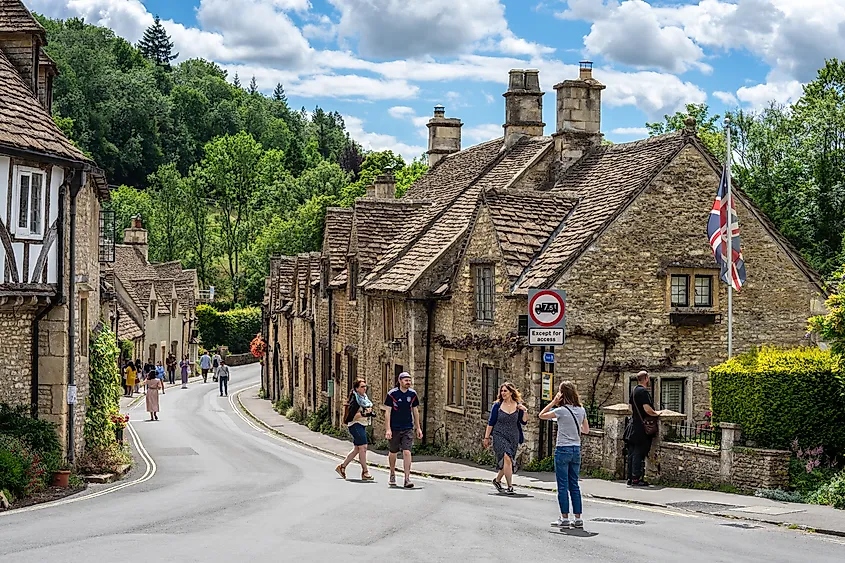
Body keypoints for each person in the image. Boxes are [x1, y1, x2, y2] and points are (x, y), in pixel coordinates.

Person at [540, 381, 590, 529]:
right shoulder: (581, 410)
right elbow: (586, 430)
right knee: (574, 485)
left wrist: (553, 402)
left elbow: (541, 415)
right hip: (576, 449)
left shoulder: (560, 411)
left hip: (563, 449)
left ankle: (564, 518)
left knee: (563, 485)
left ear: (562, 394)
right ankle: (578, 518)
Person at [483, 382, 528, 495]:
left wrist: (525, 411)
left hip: (513, 436)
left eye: (505, 391)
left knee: (507, 461)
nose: (503, 393)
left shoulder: (518, 405)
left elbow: (524, 422)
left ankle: (497, 480)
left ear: (511, 392)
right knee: (507, 458)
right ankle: (510, 486)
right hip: (499, 435)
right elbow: (491, 422)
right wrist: (486, 437)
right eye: (502, 391)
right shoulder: (497, 406)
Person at [626, 370, 664, 487]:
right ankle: (636, 478)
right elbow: (647, 409)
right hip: (641, 428)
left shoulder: (634, 390)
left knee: (632, 453)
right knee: (639, 452)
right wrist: (657, 413)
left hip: (633, 425)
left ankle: (630, 478)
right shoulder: (643, 392)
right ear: (646, 378)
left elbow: (630, 408)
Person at [384, 372, 422, 488]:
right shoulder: (392, 394)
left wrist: (418, 428)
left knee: (407, 451)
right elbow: (388, 412)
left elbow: (415, 411)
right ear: (400, 381)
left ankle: (407, 478)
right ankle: (392, 473)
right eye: (406, 380)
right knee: (393, 452)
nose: (408, 382)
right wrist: (388, 429)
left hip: (407, 427)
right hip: (395, 428)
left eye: (409, 380)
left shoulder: (413, 394)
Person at [335, 378, 375, 481]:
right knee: (363, 447)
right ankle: (365, 472)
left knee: (357, 449)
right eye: (362, 387)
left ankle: (342, 467)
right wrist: (364, 413)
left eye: (365, 386)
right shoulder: (355, 400)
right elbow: (351, 417)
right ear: (356, 389)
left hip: (362, 424)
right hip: (355, 425)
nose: (364, 388)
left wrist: (369, 413)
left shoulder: (364, 398)